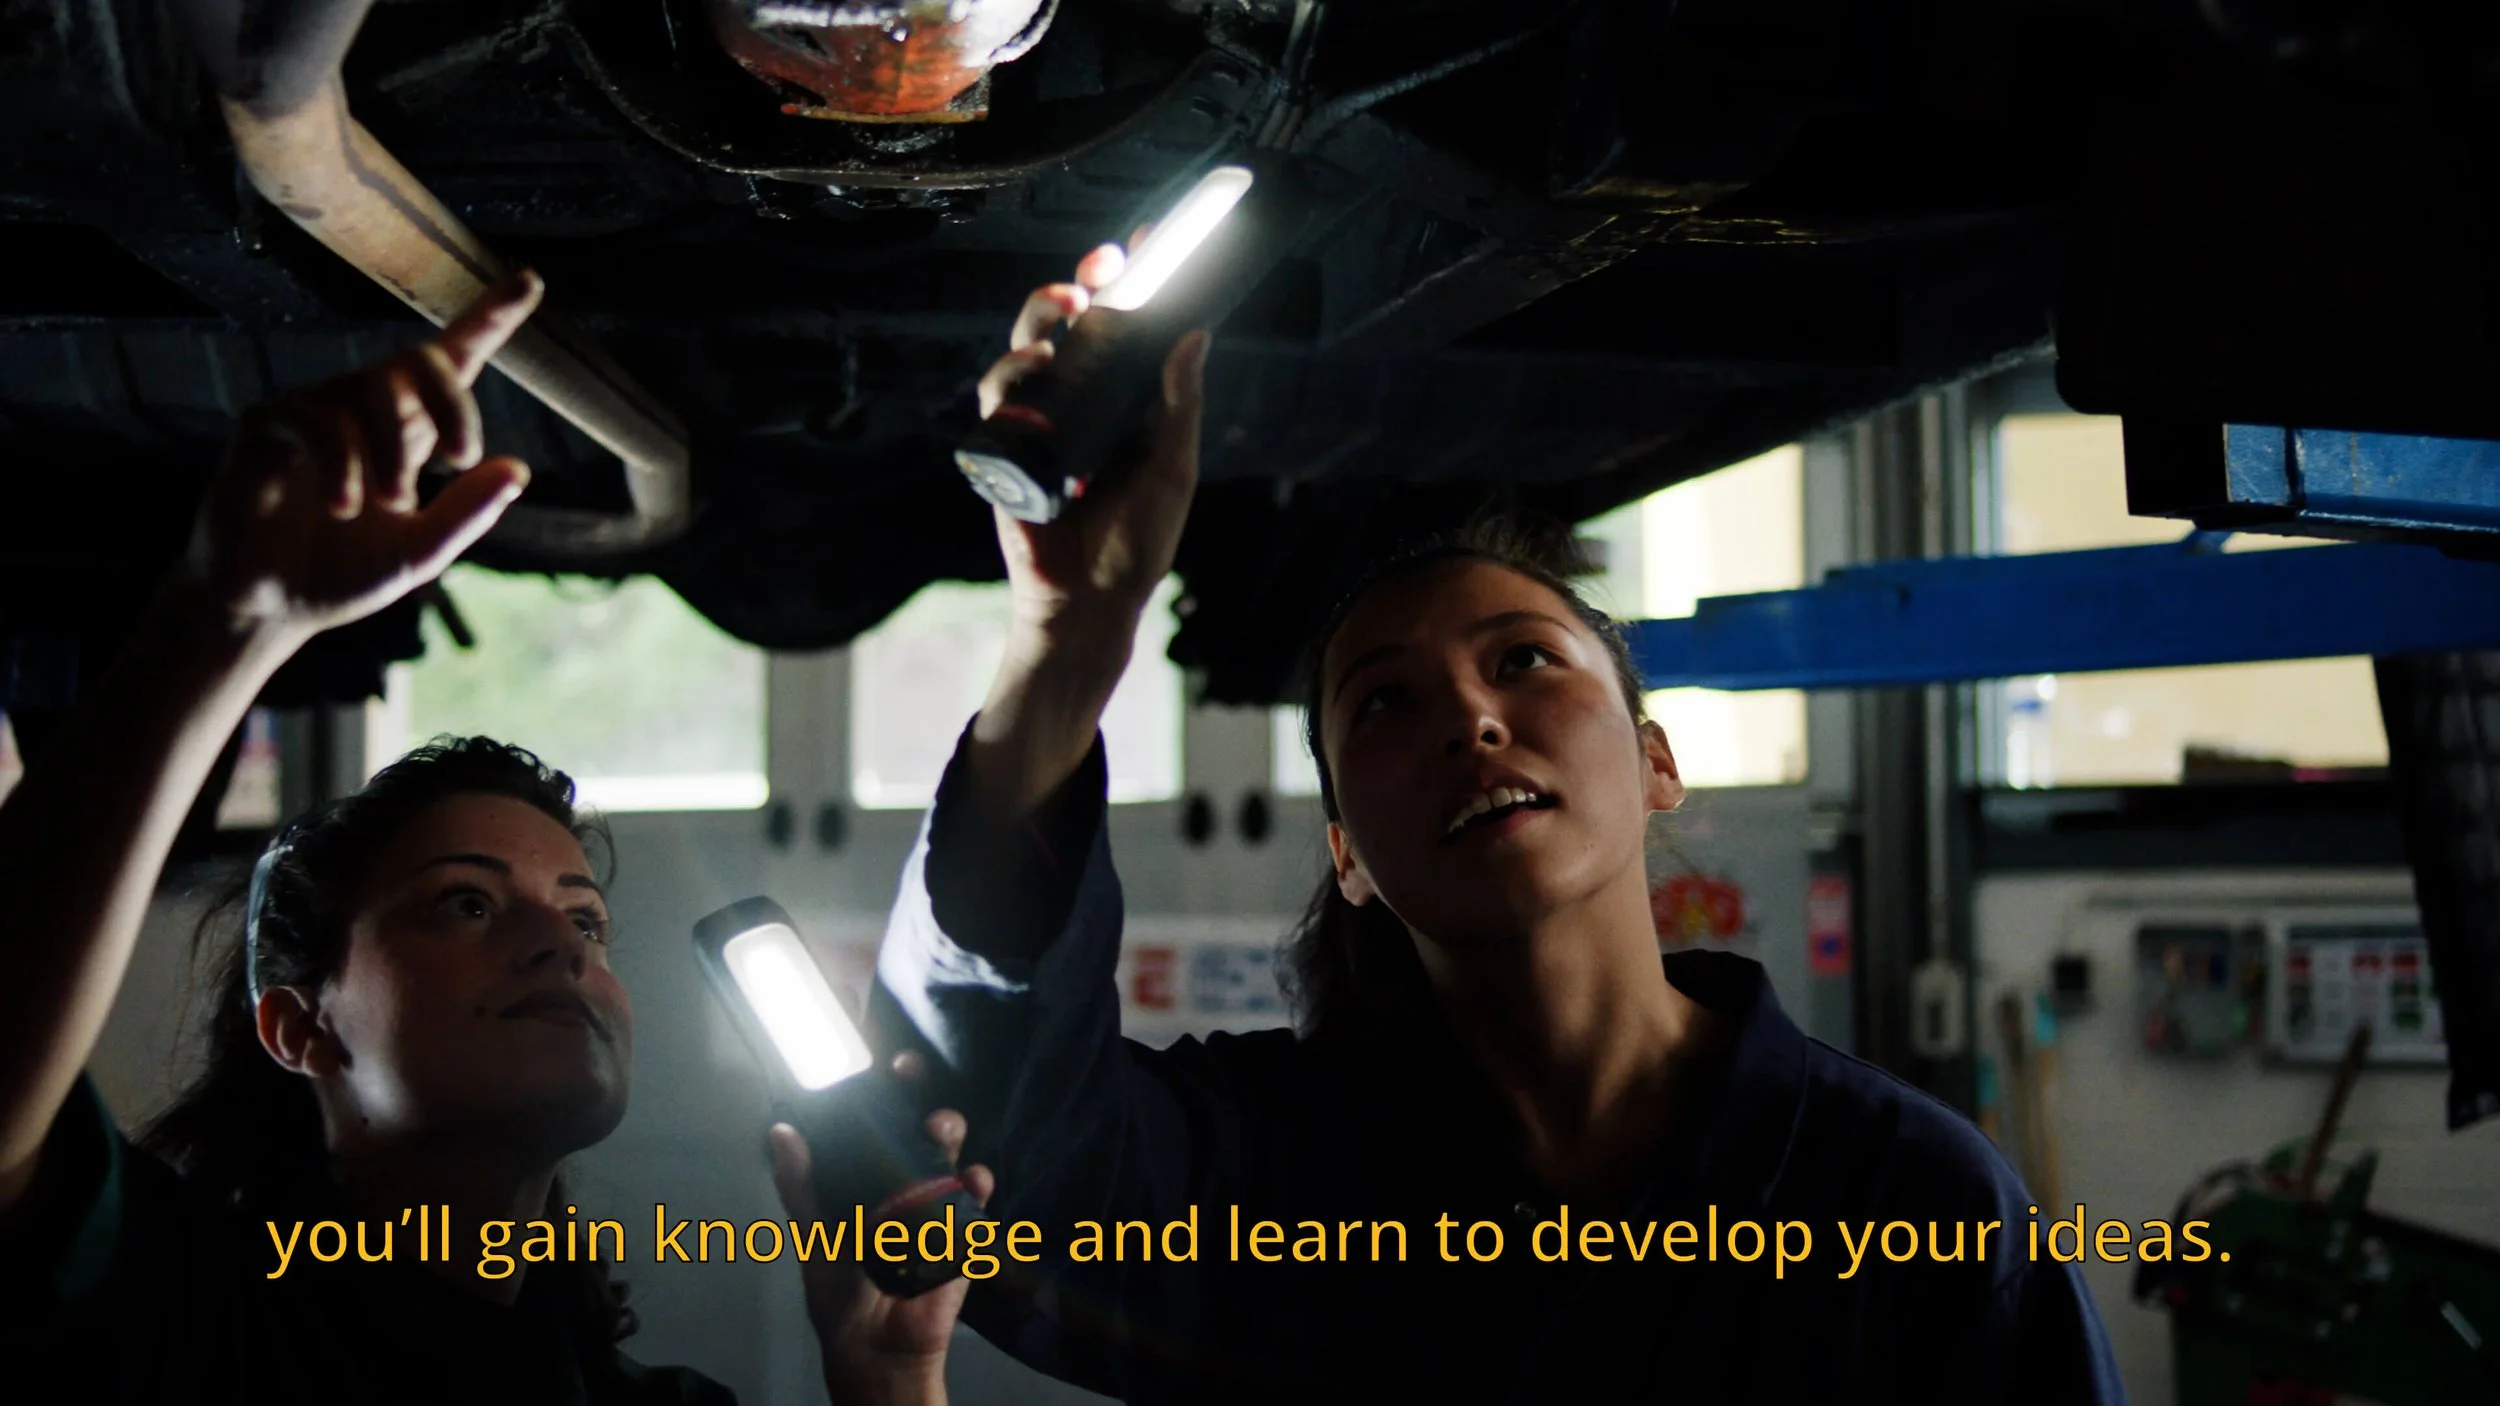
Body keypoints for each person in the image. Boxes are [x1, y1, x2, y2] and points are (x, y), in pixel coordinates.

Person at [867, 248, 2132, 1404]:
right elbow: (990, 1167)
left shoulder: (1910, 1197)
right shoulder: (1261, 1180)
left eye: (1524, 661)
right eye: (1387, 704)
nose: (1470, 719)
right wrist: (1067, 640)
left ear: (1654, 765)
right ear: (1347, 855)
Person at [0, 273, 986, 1405]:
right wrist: (225, 617)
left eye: (585, 918)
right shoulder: (175, 1310)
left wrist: (888, 1370)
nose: (559, 946)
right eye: (466, 901)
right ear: (299, 1026)